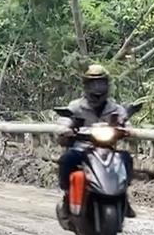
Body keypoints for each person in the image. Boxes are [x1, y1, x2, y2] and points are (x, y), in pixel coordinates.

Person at [57, 64, 136, 218]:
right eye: (93, 84)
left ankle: (124, 197)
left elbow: (125, 122)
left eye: (101, 83)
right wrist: (65, 129)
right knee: (67, 159)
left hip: (107, 149)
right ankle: (67, 197)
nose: (97, 88)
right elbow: (65, 121)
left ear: (107, 85)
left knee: (126, 158)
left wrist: (128, 130)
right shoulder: (76, 106)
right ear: (86, 86)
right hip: (82, 148)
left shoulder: (115, 108)